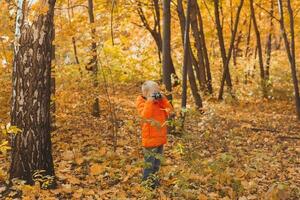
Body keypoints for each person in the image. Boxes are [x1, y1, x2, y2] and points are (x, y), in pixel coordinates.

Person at [135, 80, 173, 189]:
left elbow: (170, 111)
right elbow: (145, 116)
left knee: (156, 164)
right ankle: (146, 184)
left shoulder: (159, 101)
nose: (157, 93)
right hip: (150, 139)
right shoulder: (141, 102)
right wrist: (150, 100)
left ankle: (154, 182)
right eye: (155, 91)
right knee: (149, 164)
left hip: (160, 138)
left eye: (158, 91)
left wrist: (164, 99)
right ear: (146, 93)